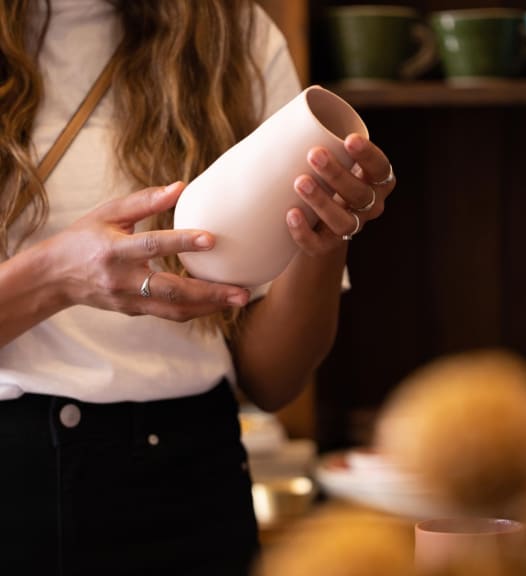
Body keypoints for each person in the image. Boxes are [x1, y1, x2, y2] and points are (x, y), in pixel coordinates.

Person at [0, 1, 395, 575]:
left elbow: (272, 379)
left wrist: (326, 233)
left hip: (194, 482)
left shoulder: (234, 34)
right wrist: (57, 275)